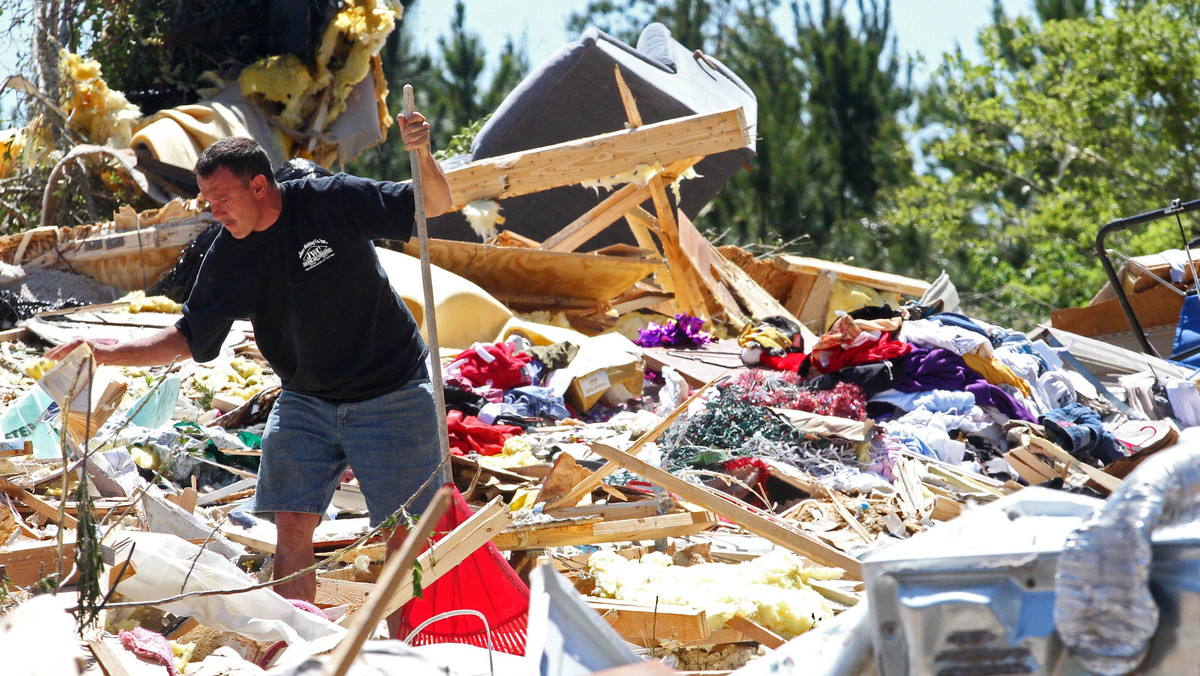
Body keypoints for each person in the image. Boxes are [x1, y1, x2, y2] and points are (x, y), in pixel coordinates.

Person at [46, 111, 454, 619]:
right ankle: (295, 651)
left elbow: (433, 202)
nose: (215, 213)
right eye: (208, 202)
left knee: (403, 533)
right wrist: (104, 352)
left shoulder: (328, 198)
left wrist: (422, 153)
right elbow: (191, 338)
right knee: (292, 524)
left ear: (259, 186)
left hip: (390, 388)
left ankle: (404, 653)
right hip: (307, 396)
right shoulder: (228, 255)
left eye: (223, 199)